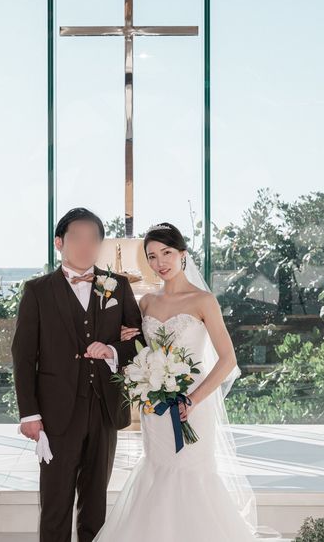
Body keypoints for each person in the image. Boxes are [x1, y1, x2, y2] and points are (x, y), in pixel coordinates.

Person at [92, 221, 261, 542]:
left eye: (167, 252)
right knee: (157, 470)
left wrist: (193, 400)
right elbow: (141, 350)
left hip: (194, 404)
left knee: (191, 474)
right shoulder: (146, 303)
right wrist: (129, 338)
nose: (160, 262)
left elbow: (228, 360)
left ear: (183, 254)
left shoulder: (203, 301)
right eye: (152, 256)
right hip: (156, 405)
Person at [11, 207, 144, 542]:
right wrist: (29, 413)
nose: (86, 245)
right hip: (55, 413)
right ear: (59, 242)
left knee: (95, 504)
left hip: (104, 409)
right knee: (55, 504)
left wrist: (112, 349)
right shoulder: (37, 291)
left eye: (93, 239)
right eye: (78, 238)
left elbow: (140, 342)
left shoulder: (117, 286)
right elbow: (23, 356)